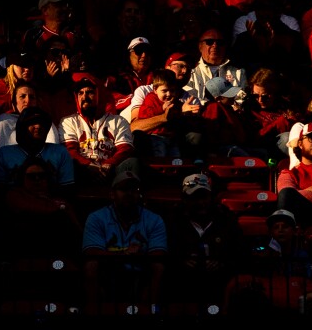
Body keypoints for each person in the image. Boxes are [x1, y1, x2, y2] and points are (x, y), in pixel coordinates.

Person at [82, 171, 167, 312]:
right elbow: (92, 252)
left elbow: (159, 255)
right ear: (112, 194)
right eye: (123, 189)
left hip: (141, 273)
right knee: (91, 265)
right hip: (108, 273)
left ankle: (149, 312)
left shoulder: (154, 219)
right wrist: (125, 254)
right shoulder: (97, 217)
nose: (129, 194)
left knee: (159, 267)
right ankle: (94, 313)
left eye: (134, 190)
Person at [165, 173, 243, 316]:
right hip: (183, 286)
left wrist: (222, 263)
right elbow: (165, 254)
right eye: (195, 197)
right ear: (184, 198)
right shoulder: (173, 221)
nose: (201, 202)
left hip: (219, 285)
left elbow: (240, 253)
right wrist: (180, 261)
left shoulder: (226, 219)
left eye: (204, 196)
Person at [61, 72, 138, 186]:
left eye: (90, 92)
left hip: (111, 171)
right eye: (80, 93)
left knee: (132, 163)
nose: (84, 97)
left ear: (99, 95)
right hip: (82, 171)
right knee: (69, 163)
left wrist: (108, 164)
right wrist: (89, 166)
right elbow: (70, 151)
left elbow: (125, 149)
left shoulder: (118, 121)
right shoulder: (68, 121)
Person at [135, 68, 205, 160]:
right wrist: (161, 109)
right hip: (156, 136)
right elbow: (144, 115)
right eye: (164, 91)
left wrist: (186, 112)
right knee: (160, 155)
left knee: (175, 157)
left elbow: (180, 114)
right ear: (155, 90)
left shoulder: (175, 101)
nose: (168, 94)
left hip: (172, 137)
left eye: (172, 91)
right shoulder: (151, 99)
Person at [0, 79, 62, 153]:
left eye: (32, 97)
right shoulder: (4, 121)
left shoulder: (45, 122)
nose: (27, 100)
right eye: (22, 96)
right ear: (14, 103)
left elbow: (53, 152)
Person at [0, 49, 36, 135]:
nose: (27, 69)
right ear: (11, 67)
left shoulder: (37, 89)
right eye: (22, 65)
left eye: (30, 65)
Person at [185, 26, 247, 104]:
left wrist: (230, 103)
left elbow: (243, 99)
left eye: (220, 43)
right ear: (200, 46)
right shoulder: (189, 73)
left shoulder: (239, 73)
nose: (215, 45)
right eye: (209, 42)